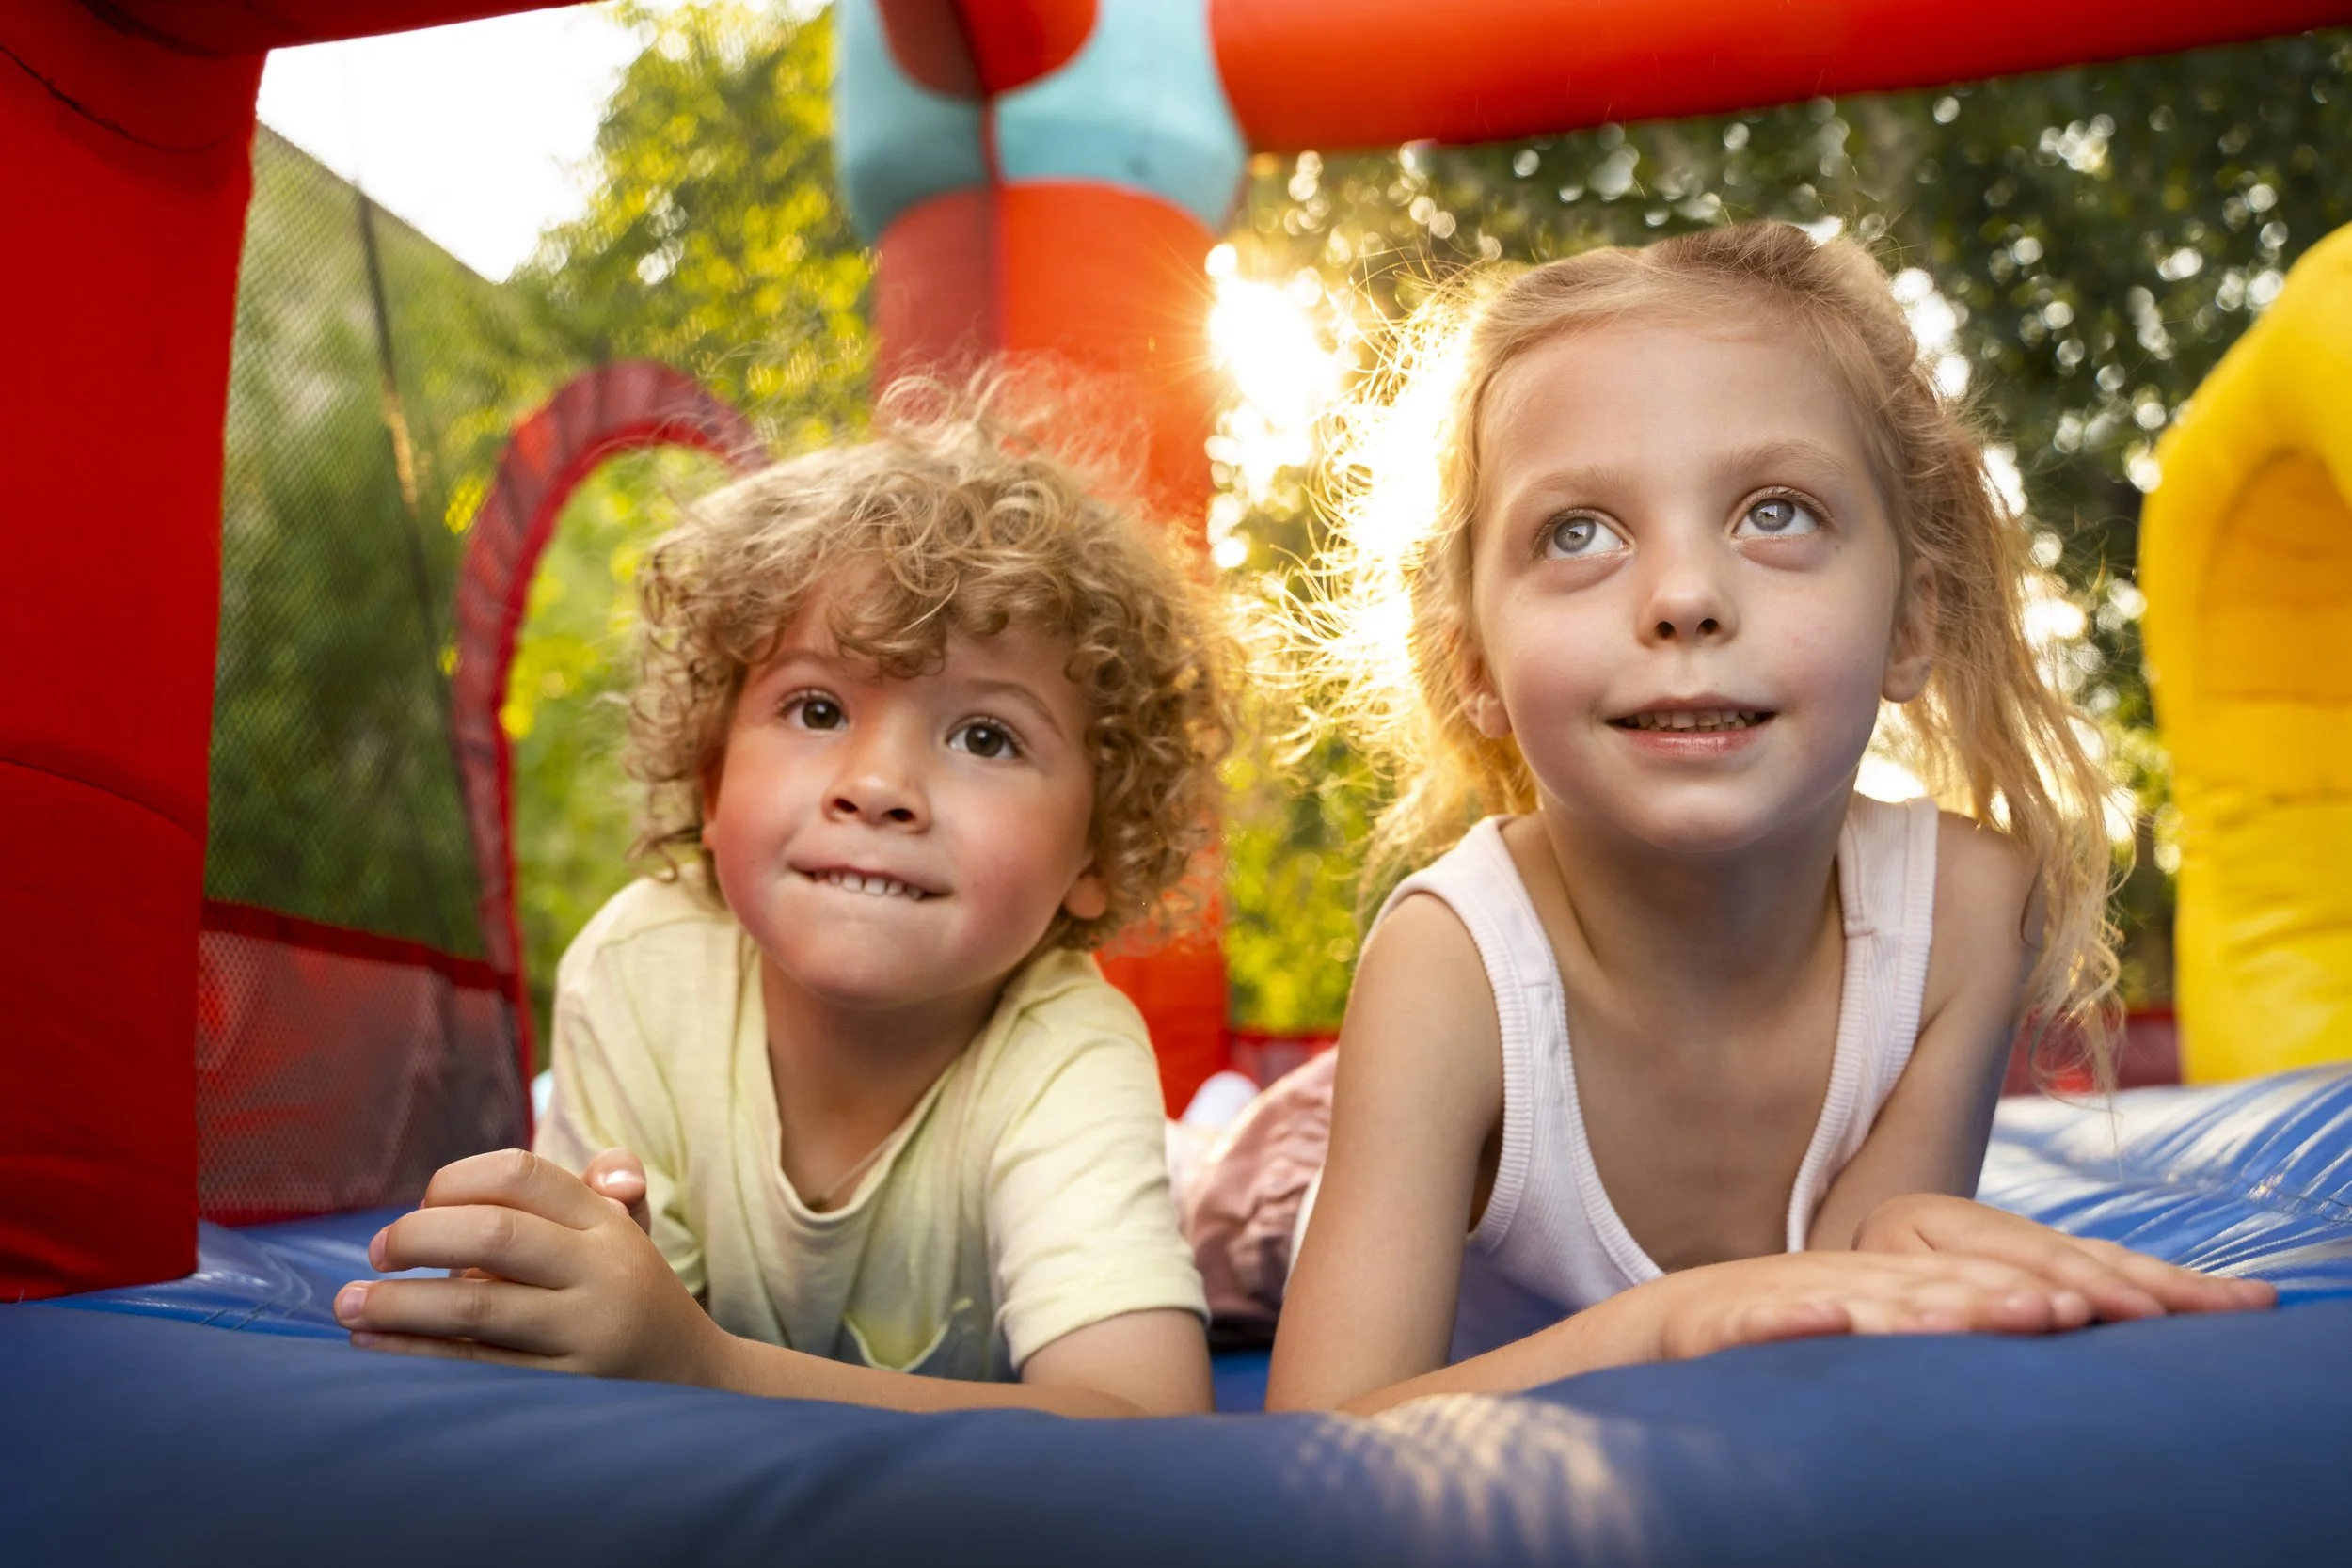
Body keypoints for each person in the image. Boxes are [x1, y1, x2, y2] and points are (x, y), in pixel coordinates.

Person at [1250, 221, 2273, 1416]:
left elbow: (1831, 1312)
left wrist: (1895, 1245)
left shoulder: (1965, 912)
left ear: (1909, 623)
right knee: (1238, 1190)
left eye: (1775, 513)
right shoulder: (1448, 971)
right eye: (1578, 532)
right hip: (1284, 1187)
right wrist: (1664, 1322)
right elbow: (1321, 1430)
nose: (1684, 596)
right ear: (1470, 658)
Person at [334, 387, 1231, 1418]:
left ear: (1096, 850)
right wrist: (588, 1300)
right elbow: (604, 1350)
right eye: (816, 708)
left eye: (985, 736)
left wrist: (703, 1361)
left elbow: (1146, 1423)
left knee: (1210, 1188)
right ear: (710, 782)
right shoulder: (641, 973)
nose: (877, 784)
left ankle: (1214, 1156)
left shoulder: (1064, 1048)